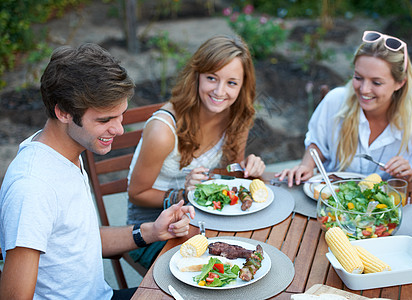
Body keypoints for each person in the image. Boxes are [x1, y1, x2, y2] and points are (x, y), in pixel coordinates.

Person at [0, 43, 194, 300]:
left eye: (120, 116)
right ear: (64, 112)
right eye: (105, 120)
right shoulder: (33, 187)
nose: (119, 130)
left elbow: (79, 240)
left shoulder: (67, 154)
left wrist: (153, 231)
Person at [125, 35, 265, 265]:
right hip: (153, 225)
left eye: (231, 83)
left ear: (242, 86)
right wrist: (183, 194)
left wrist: (248, 167)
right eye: (212, 78)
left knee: (259, 244)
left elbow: (230, 174)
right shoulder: (163, 130)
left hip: (201, 216)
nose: (220, 91)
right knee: (223, 267)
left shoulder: (238, 117)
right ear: (197, 76)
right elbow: (136, 194)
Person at [277, 31, 412, 187]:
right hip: (331, 197)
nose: (364, 90)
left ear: (400, 83)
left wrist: (409, 173)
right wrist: (306, 165)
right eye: (358, 78)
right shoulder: (335, 100)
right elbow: (317, 143)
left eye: (376, 83)